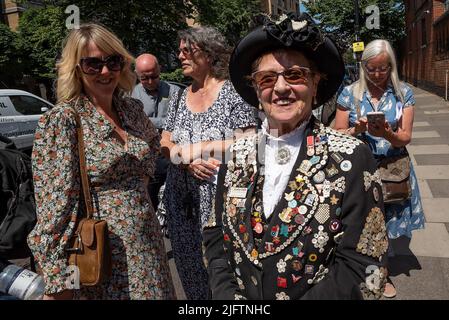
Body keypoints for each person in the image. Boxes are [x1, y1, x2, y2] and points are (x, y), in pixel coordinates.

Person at [202, 12, 389, 300]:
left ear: (316, 83)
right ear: (255, 88)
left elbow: (364, 264)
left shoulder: (352, 158)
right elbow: (215, 237)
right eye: (266, 78)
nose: (280, 88)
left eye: (295, 74)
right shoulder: (235, 154)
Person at [27, 23, 175, 300]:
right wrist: (59, 282)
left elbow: (152, 145)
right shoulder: (64, 119)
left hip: (149, 245)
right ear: (76, 68)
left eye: (113, 61)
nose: (105, 71)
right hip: (101, 257)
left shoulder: (130, 109)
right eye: (93, 64)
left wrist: (138, 184)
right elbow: (54, 209)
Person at [160, 26, 257, 300]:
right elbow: (164, 144)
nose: (180, 56)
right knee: (190, 271)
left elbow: (248, 143)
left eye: (186, 50)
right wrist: (185, 162)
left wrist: (199, 149)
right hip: (181, 199)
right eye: (179, 50)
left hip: (222, 202)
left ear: (208, 54)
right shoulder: (178, 96)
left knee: (228, 277)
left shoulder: (233, 93)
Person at [334, 39, 425, 298]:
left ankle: (381, 274)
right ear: (363, 66)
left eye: (382, 68)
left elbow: (405, 136)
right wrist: (358, 130)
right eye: (371, 69)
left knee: (384, 224)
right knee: (361, 223)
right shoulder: (350, 93)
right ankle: (359, 268)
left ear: (391, 66)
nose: (376, 74)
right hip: (359, 170)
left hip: (393, 168)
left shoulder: (402, 93)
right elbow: (337, 133)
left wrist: (388, 134)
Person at [132, 54, 181, 209]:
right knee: (149, 202)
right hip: (147, 160)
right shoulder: (131, 95)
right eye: (144, 78)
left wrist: (149, 121)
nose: (151, 82)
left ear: (159, 69)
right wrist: (164, 122)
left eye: (154, 76)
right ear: (137, 75)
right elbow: (135, 123)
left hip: (172, 157)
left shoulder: (176, 92)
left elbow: (180, 122)